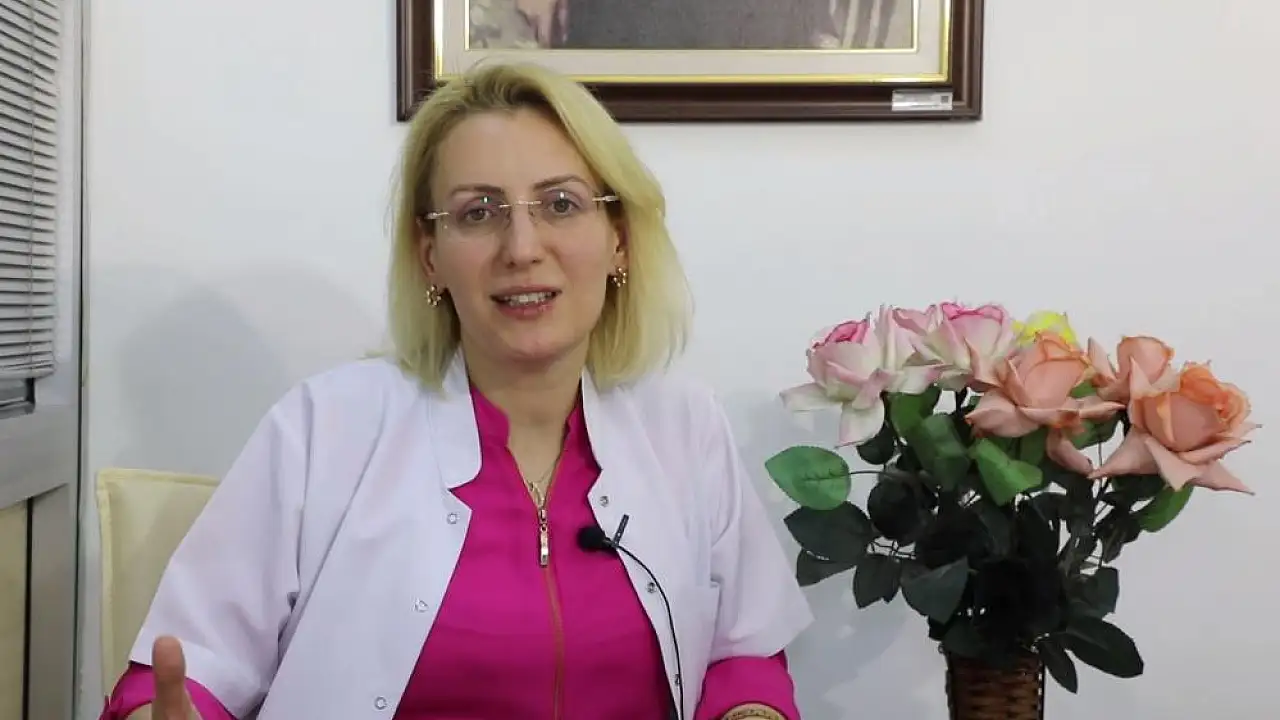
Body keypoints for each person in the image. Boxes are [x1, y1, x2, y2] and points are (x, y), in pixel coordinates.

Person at [98, 60, 814, 720]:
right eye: (478, 213)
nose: (522, 248)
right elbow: (182, 675)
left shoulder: (685, 427)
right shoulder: (324, 429)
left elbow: (744, 657)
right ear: (430, 256)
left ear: (618, 238)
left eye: (561, 204)